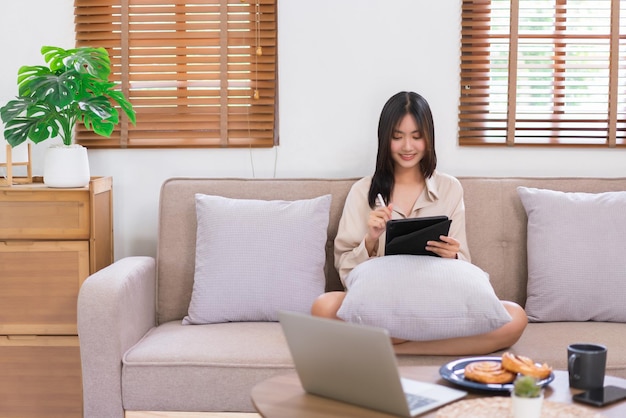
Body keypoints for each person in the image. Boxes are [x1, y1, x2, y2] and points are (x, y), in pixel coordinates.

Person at [311, 91, 527, 355]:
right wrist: (370, 240)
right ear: (385, 139)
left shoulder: (450, 189)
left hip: (437, 303)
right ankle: (428, 344)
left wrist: (453, 257)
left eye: (416, 136)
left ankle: (396, 348)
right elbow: (345, 272)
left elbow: (465, 270)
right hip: (382, 304)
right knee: (323, 306)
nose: (407, 147)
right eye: (397, 137)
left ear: (428, 138)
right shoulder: (362, 191)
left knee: (515, 316)